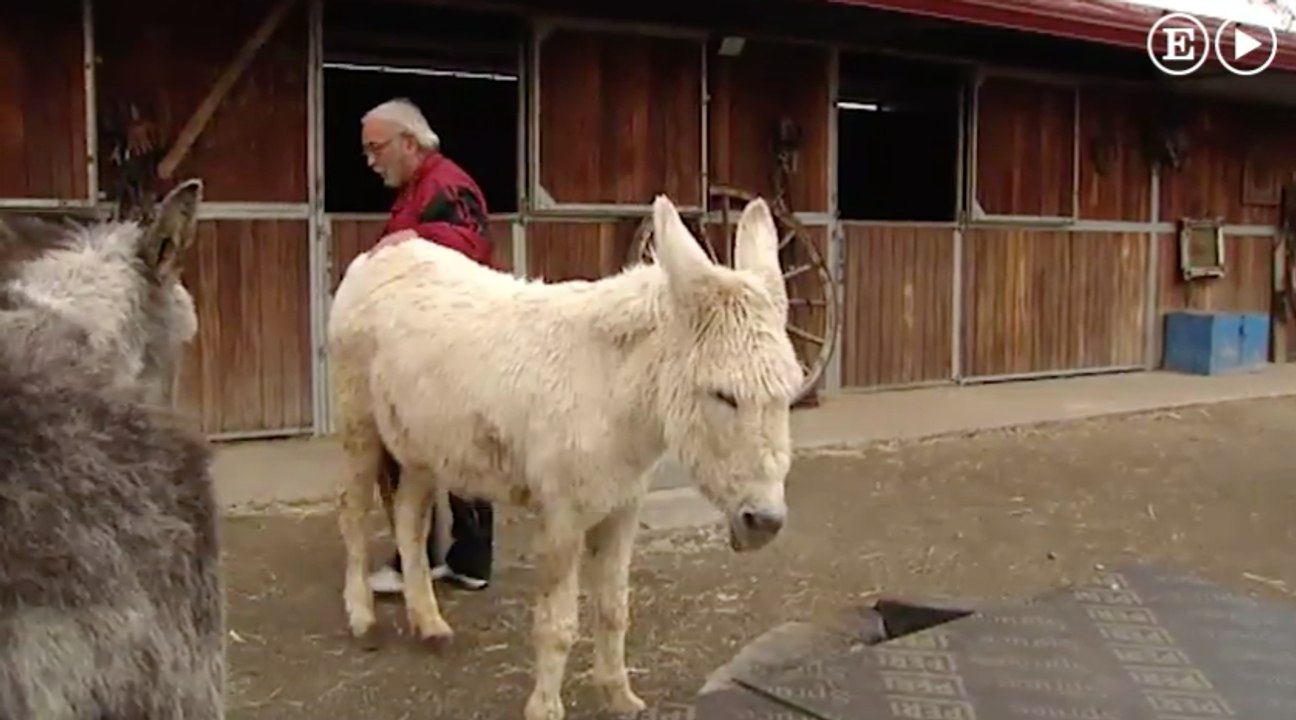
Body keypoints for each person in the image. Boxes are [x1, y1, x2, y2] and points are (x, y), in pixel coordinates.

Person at [359, 97, 494, 593]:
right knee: (435, 449)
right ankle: (449, 557)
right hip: (430, 341)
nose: (371, 161)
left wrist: (412, 237)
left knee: (439, 448)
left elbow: (472, 241)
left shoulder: (446, 185)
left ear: (409, 143)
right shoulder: (419, 188)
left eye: (376, 149)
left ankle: (442, 559)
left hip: (452, 340)